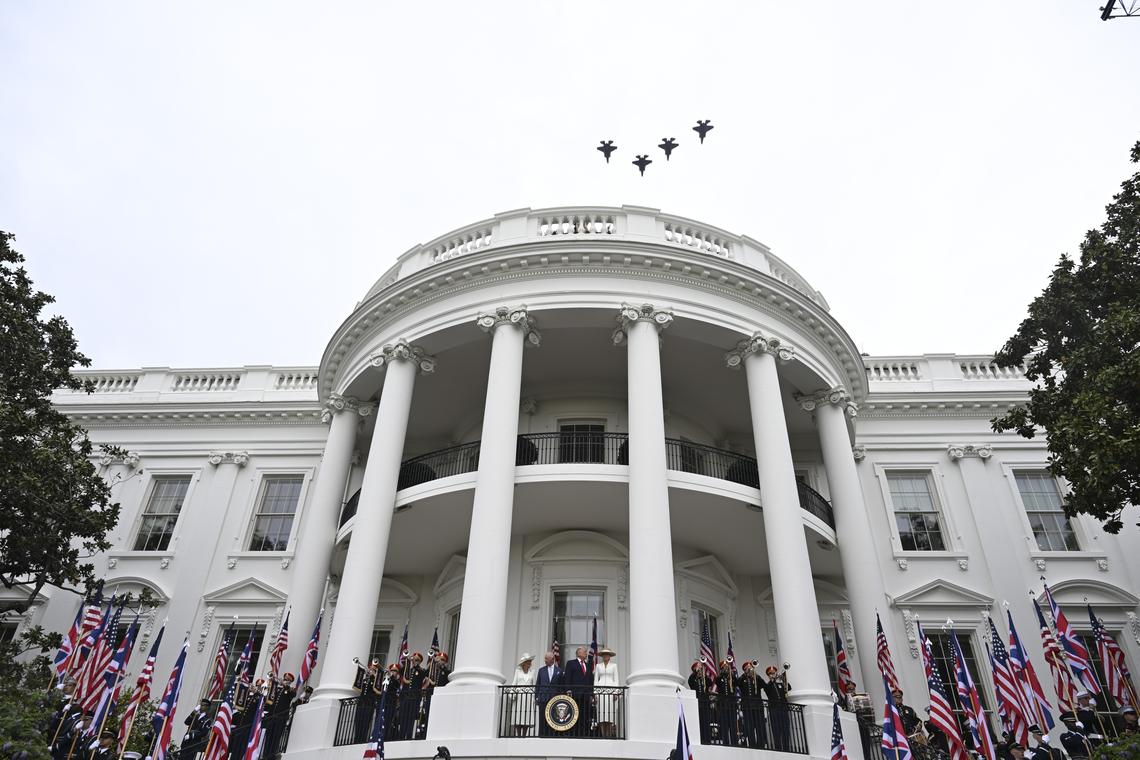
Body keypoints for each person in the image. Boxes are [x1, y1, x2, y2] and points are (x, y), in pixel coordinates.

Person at [738, 660, 767, 749]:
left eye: (750, 668)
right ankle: (752, 744)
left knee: (760, 726)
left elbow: (764, 686)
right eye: (747, 668)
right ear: (744, 670)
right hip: (747, 707)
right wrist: (745, 674)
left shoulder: (757, 678)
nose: (749, 669)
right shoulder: (742, 679)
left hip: (758, 706)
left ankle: (761, 744)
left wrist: (756, 675)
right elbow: (736, 683)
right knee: (749, 726)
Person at [763, 664, 791, 752]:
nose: (772, 674)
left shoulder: (780, 684)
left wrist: (783, 679)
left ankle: (787, 749)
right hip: (774, 710)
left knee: (785, 729)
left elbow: (789, 687)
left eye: (773, 673)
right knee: (776, 730)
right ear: (768, 675)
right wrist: (774, 679)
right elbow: (767, 688)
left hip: (783, 709)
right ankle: (778, 749)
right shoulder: (768, 685)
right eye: (770, 673)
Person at [593, 646, 620, 738]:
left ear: (610, 656)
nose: (605, 656)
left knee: (609, 713)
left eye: (607, 655)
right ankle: (603, 734)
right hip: (600, 691)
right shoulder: (598, 666)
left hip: (610, 690)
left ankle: (608, 735)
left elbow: (616, 679)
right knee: (601, 713)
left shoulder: (614, 666)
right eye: (604, 655)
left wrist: (616, 692)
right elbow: (596, 680)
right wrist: (595, 693)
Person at [508, 653, 536, 737]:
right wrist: (512, 694)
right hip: (519, 697)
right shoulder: (518, 672)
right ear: (524, 663)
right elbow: (514, 683)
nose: (529, 663)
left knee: (527, 715)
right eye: (528, 662)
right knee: (518, 715)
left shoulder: (532, 672)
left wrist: (534, 697)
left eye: (530, 662)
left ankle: (524, 735)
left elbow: (534, 685)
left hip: (528, 697)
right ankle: (518, 735)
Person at [535, 651, 563, 736]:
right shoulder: (541, 670)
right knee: (542, 718)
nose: (545, 660)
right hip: (543, 698)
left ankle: (551, 736)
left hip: (554, 698)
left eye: (546, 658)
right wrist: (536, 697)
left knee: (553, 718)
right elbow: (538, 684)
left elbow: (561, 685)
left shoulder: (559, 671)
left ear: (552, 659)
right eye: (545, 658)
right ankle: (541, 735)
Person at [715, 659, 739, 746]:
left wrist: (732, 674)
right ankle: (725, 742)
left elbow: (737, 683)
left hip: (732, 705)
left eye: (726, 667)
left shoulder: (731, 678)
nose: (726, 668)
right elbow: (716, 681)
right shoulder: (719, 678)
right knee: (724, 725)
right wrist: (723, 673)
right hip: (723, 705)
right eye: (724, 667)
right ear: (721, 668)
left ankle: (734, 742)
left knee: (733, 724)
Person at [689, 661, 713, 744]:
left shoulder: (704, 678)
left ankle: (708, 739)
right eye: (698, 667)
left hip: (705, 702)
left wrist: (704, 675)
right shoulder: (693, 678)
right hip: (698, 703)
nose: (700, 669)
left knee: (707, 720)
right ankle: (702, 739)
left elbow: (710, 683)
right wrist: (696, 673)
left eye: (700, 668)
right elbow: (690, 682)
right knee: (700, 721)